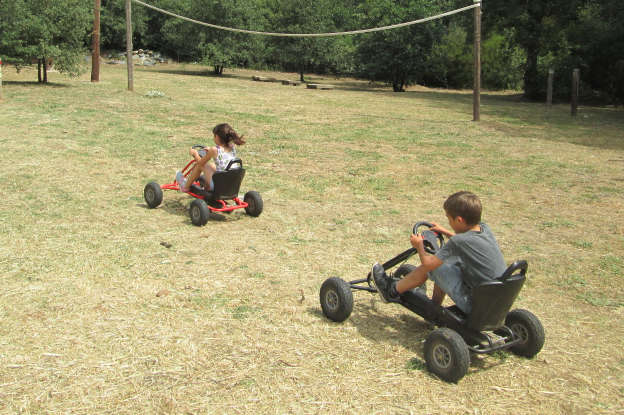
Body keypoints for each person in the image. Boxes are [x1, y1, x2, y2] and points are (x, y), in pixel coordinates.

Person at [372, 191, 507, 315]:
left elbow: (428, 264)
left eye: (449, 219)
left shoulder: (458, 242)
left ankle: (390, 290)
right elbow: (467, 242)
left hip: (474, 306)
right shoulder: (484, 229)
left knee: (435, 266)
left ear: (459, 220)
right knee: (447, 262)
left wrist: (419, 245)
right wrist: (446, 232)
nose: (449, 222)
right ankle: (433, 307)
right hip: (497, 304)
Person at [176, 123, 245, 192]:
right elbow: (223, 155)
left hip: (218, 187)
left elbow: (200, 163)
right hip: (231, 185)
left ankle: (185, 186)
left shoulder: (214, 150)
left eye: (214, 136)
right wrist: (210, 151)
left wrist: (195, 154)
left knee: (199, 166)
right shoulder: (232, 146)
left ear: (217, 137)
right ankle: (205, 184)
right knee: (211, 165)